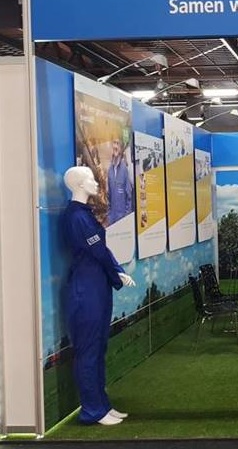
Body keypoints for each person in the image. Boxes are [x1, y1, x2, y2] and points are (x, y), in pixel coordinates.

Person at [62, 166, 136, 426]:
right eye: (91, 179)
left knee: (98, 348)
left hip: (96, 286)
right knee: (89, 351)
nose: (96, 183)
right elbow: (99, 252)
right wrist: (117, 273)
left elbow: (102, 249)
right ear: (80, 184)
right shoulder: (76, 217)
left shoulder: (84, 214)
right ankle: (92, 409)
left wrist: (117, 272)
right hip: (86, 290)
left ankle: (102, 405)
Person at [107, 138, 133, 225]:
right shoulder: (110, 170)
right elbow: (108, 195)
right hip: (112, 219)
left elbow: (129, 195)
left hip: (122, 219)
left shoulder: (124, 169)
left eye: (117, 144)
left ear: (121, 148)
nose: (115, 146)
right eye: (114, 143)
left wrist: (126, 217)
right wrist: (109, 215)